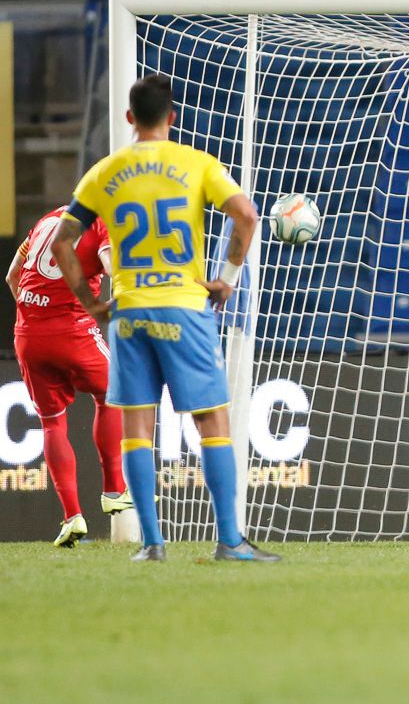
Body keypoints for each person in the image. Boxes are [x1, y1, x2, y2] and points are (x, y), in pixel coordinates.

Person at [50, 73, 274, 562]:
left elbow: (63, 240)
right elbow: (247, 215)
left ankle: (152, 544)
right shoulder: (197, 163)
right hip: (184, 305)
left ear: (130, 119)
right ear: (172, 117)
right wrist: (228, 276)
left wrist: (90, 304)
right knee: (212, 419)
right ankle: (230, 541)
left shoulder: (103, 172)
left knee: (136, 427)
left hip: (129, 312)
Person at [7, 206, 127, 546]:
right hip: (72, 331)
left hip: (28, 334)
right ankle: (114, 489)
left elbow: (13, 276)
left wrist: (38, 318)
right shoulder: (102, 222)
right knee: (114, 391)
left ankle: (72, 517)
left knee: (51, 422)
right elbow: (113, 270)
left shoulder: (46, 219)